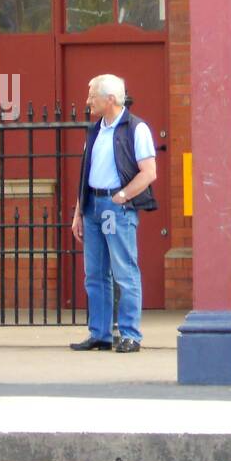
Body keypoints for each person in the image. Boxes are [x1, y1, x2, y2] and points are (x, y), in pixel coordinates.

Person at [69, 74, 157, 354]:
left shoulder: (136, 128)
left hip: (115, 207)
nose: (87, 101)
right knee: (94, 273)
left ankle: (130, 334)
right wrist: (78, 212)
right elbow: (86, 172)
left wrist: (123, 196)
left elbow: (149, 173)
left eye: (92, 95)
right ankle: (100, 334)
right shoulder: (95, 130)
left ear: (110, 99)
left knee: (123, 271)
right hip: (93, 205)